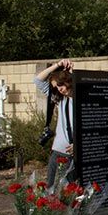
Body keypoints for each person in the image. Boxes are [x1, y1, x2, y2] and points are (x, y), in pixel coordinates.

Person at [34, 59, 76, 189]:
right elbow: (38, 80)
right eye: (56, 87)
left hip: (73, 153)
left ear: (68, 81)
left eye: (60, 85)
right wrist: (57, 65)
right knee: (51, 188)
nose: (60, 89)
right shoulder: (60, 99)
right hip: (58, 150)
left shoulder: (83, 99)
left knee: (74, 190)